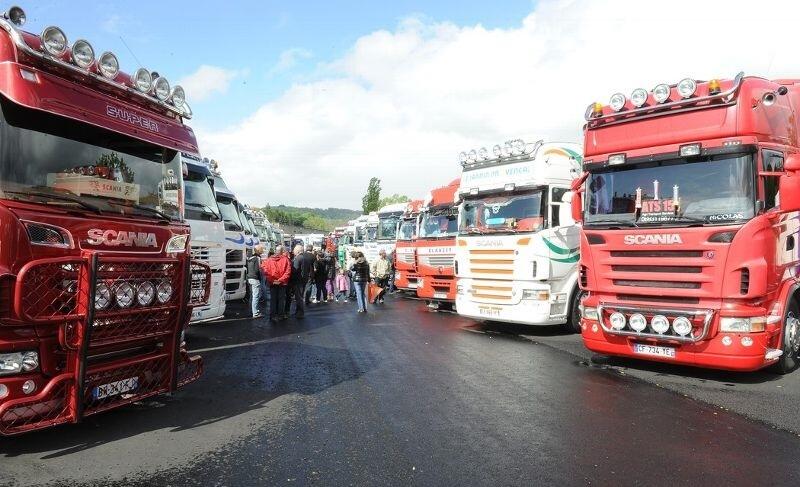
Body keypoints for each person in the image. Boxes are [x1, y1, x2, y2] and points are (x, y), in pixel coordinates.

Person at [262, 245, 291, 322]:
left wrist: (273, 280)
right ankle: (280, 315)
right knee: (281, 300)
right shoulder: (286, 260)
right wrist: (280, 280)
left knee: (273, 300)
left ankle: (273, 315)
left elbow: (265, 271)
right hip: (282, 283)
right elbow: (288, 272)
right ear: (282, 251)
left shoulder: (269, 260)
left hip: (273, 283)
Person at [292, 244, 316, 318]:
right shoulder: (304, 258)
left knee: (298, 297)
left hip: (298, 280)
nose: (293, 251)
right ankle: (299, 312)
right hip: (304, 279)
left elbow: (295, 270)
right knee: (300, 296)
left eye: (294, 250)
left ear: (297, 251)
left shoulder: (298, 258)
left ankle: (300, 312)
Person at [246, 245, 265, 318]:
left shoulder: (250, 258)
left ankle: (252, 310)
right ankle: (255, 313)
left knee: (251, 296)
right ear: (259, 251)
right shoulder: (258, 258)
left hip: (249, 278)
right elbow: (258, 270)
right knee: (255, 296)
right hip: (255, 279)